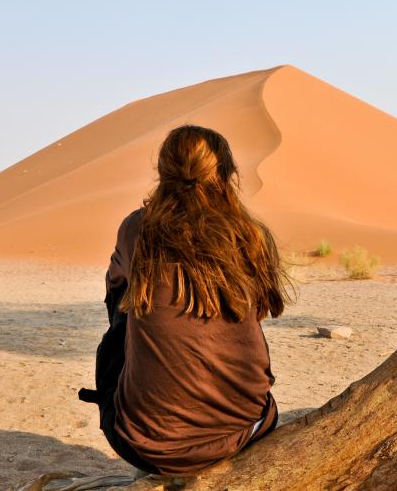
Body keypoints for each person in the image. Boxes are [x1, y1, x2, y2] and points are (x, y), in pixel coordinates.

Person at [83, 124, 289, 477]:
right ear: (226, 173)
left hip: (145, 445)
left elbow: (114, 288)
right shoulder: (250, 234)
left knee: (124, 303)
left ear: (163, 172)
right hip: (247, 430)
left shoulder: (138, 229)